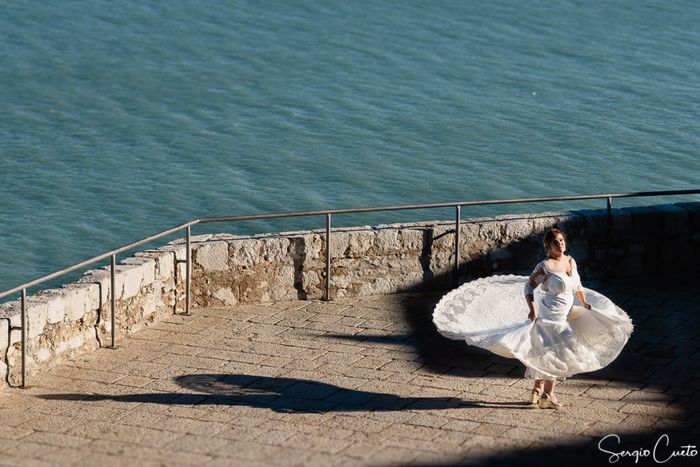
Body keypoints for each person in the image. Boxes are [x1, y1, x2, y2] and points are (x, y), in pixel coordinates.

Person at [433, 228, 634, 410]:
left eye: (562, 240)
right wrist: (532, 309)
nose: (560, 244)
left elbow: (578, 285)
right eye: (556, 242)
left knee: (544, 353)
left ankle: (537, 391)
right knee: (557, 355)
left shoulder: (570, 261)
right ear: (548, 246)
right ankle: (549, 394)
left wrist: (585, 302)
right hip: (549, 316)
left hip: (566, 313)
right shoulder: (545, 267)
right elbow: (528, 288)